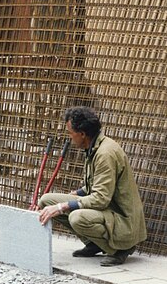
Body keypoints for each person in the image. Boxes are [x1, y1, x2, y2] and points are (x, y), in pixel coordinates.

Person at [38, 106, 147, 266]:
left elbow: (101, 199)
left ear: (82, 134)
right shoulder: (94, 148)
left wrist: (63, 206)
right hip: (107, 210)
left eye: (70, 133)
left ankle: (120, 249)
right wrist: (74, 194)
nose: (69, 137)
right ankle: (95, 243)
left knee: (76, 217)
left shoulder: (104, 154)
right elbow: (93, 188)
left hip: (122, 220)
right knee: (47, 201)